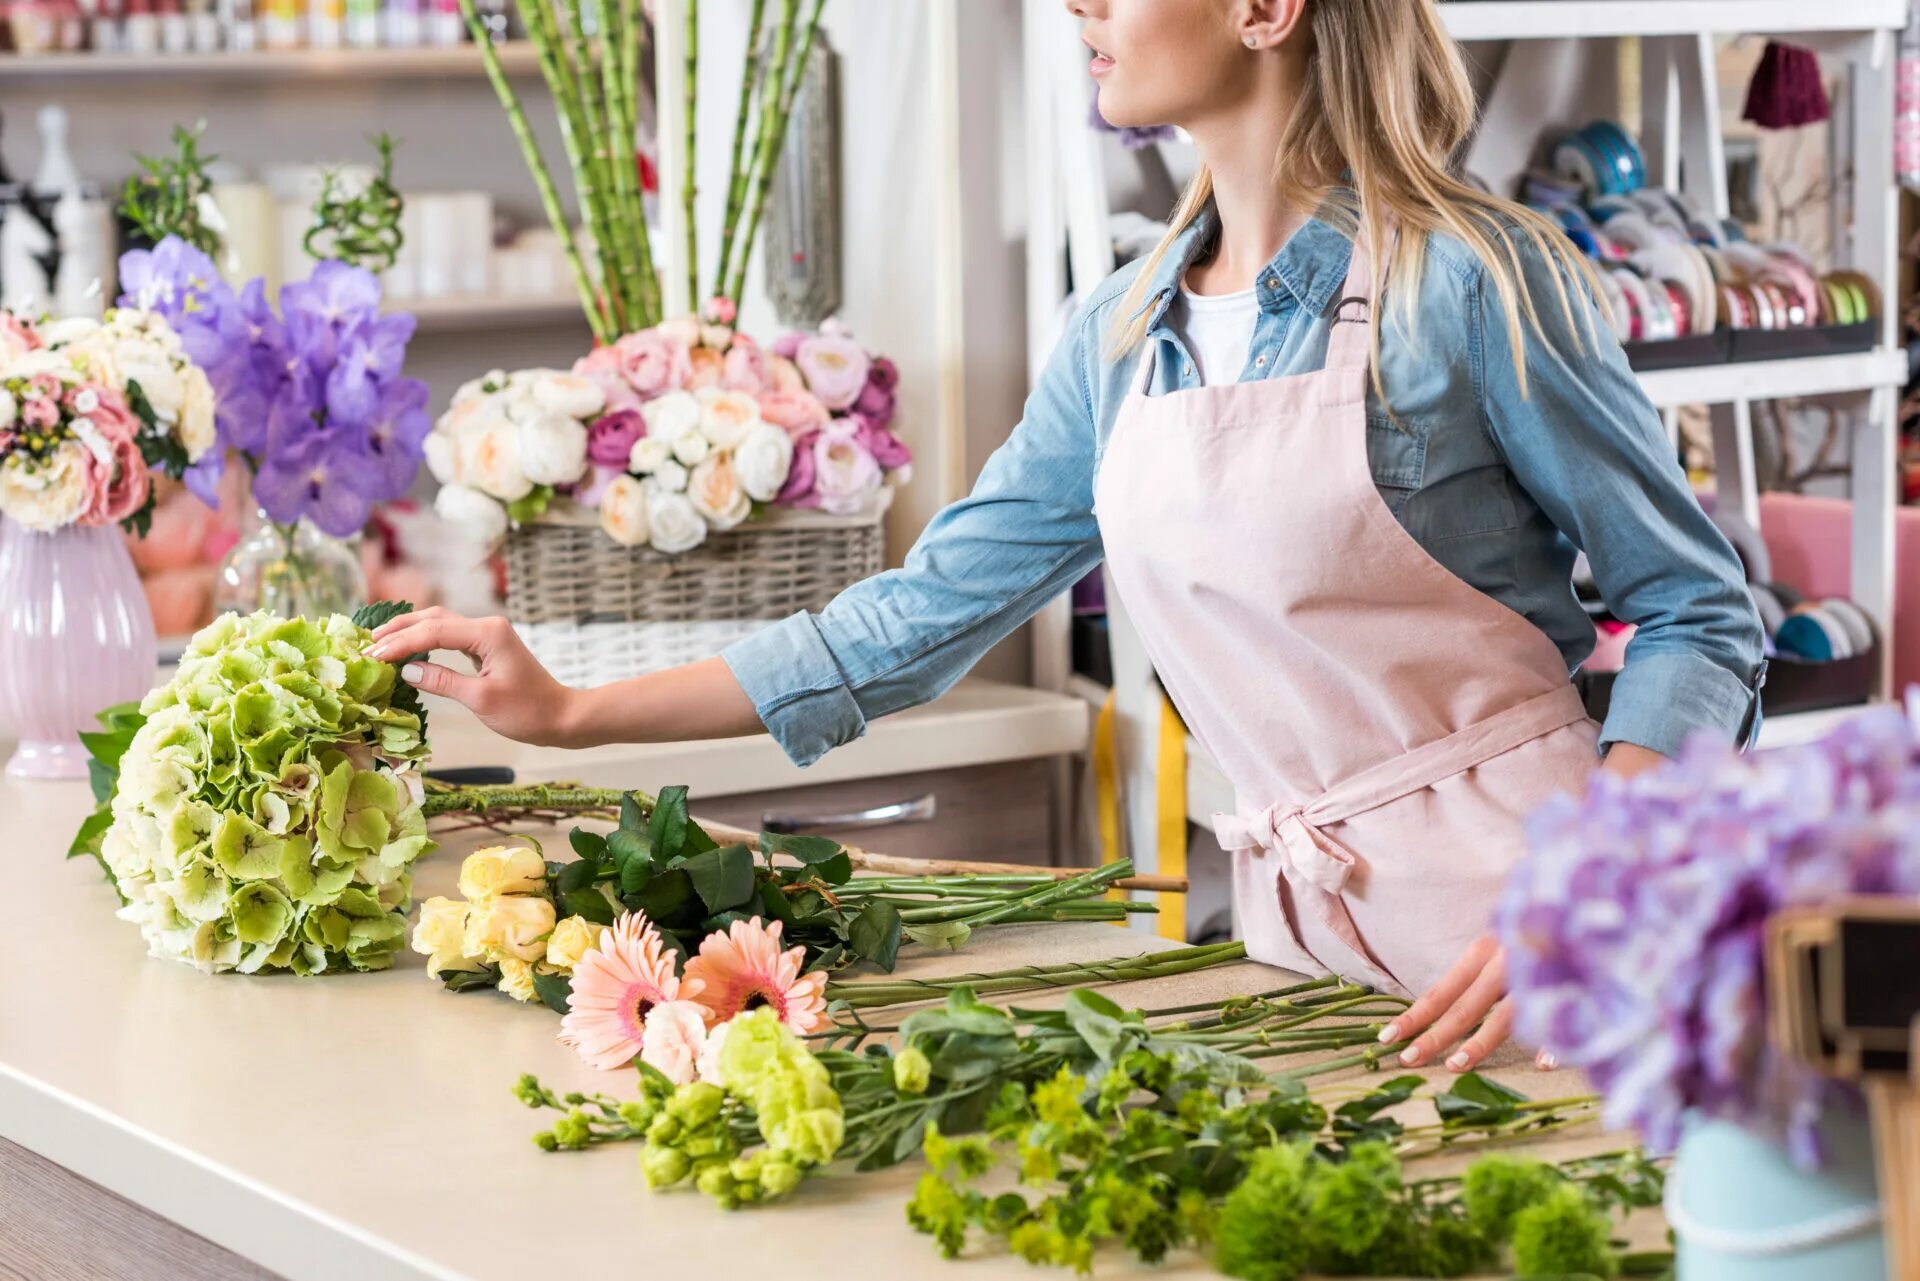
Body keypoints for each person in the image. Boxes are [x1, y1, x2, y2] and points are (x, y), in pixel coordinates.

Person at [369, 0, 1764, 1075]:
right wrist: (568, 710)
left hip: (1541, 936)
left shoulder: (1471, 278)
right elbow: (907, 623)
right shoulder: (1118, 333)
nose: (1077, 6)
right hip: (1298, 947)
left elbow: (1701, 612)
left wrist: (1586, 883)